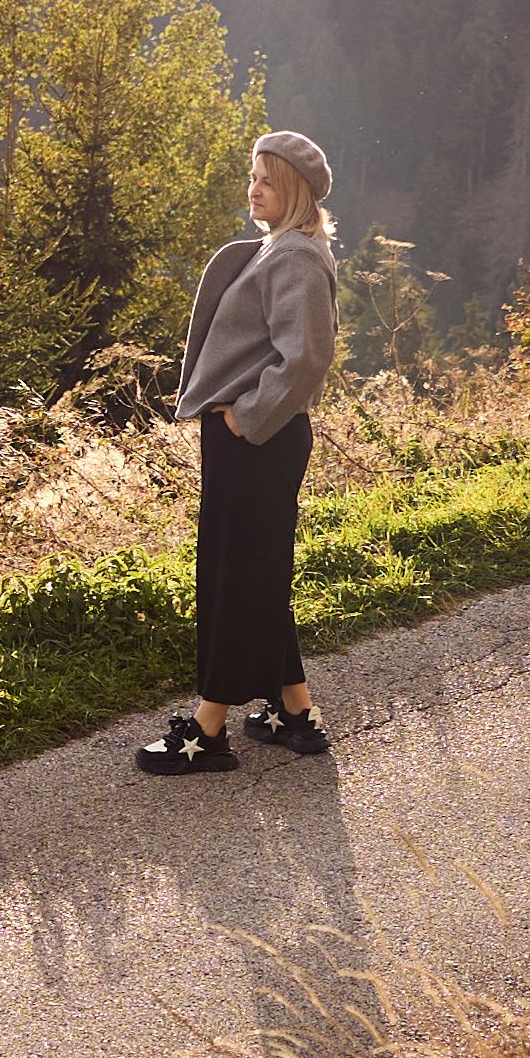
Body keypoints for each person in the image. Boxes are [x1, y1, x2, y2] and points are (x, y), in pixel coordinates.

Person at [137, 127, 339, 776]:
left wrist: (245, 418)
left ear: (295, 192)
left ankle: (207, 730)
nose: (254, 189)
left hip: (260, 439)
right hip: (250, 438)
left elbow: (306, 358)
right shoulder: (277, 248)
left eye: (267, 181)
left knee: (238, 577)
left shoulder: (298, 258)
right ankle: (295, 714)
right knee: (255, 571)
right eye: (252, 177)